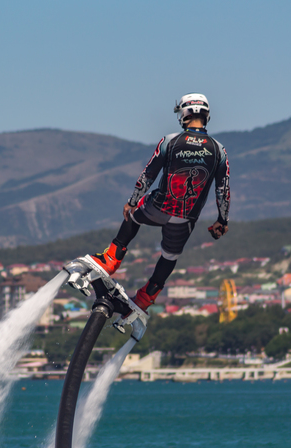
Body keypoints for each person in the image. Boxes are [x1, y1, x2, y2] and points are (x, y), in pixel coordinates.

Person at [91, 93, 230, 312]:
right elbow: (223, 191)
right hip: (185, 219)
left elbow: (148, 175)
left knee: (133, 216)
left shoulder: (170, 141)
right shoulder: (219, 150)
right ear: (207, 116)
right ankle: (146, 297)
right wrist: (222, 220)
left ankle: (111, 260)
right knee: (169, 256)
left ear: (184, 114)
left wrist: (132, 201)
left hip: (158, 207)